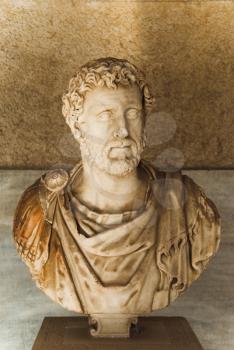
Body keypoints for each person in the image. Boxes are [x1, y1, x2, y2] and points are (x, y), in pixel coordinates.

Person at [13, 57, 220, 337]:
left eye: (132, 113)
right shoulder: (40, 211)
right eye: (105, 115)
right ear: (77, 127)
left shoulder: (189, 207)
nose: (122, 130)